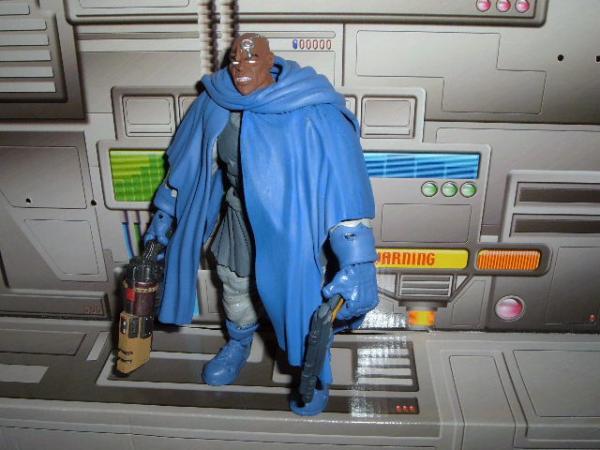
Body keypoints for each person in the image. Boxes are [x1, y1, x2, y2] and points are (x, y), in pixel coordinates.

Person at [144, 33, 378, 415]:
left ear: (270, 62)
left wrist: (358, 261)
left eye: (251, 58)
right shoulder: (217, 103)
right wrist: (164, 216)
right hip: (238, 224)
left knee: (305, 310)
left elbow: (344, 186)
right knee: (235, 292)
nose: (240, 67)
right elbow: (187, 169)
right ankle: (238, 344)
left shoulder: (312, 109)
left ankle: (314, 374)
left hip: (295, 230)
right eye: (235, 59)